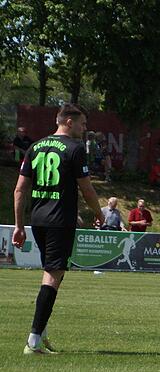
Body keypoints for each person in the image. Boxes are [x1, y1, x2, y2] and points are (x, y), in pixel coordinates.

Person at [13, 103, 104, 354]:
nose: (85, 128)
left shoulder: (35, 146)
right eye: (83, 123)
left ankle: (41, 334)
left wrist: (19, 226)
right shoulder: (74, 149)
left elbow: (20, 189)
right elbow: (86, 188)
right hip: (59, 221)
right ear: (68, 122)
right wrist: (98, 213)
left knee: (55, 273)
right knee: (53, 275)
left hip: (38, 219)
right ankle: (33, 341)